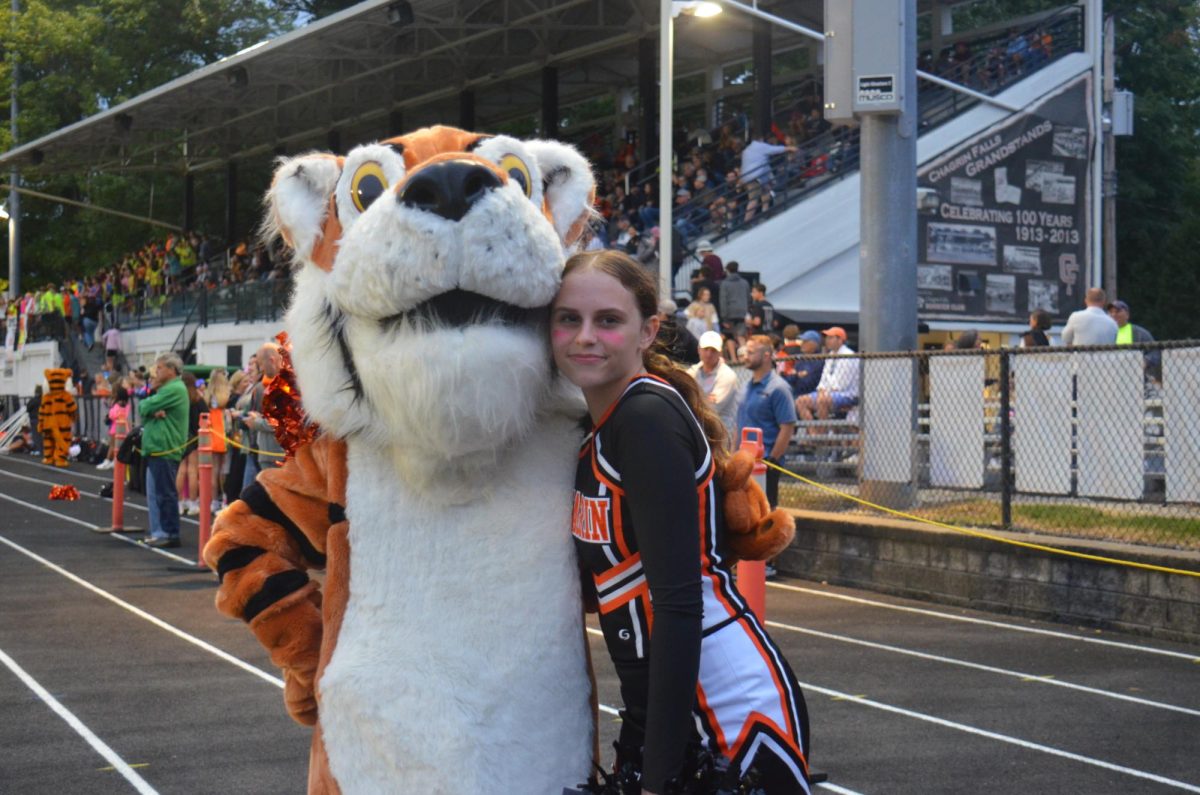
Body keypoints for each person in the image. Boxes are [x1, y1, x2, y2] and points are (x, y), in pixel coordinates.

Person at [550, 250, 811, 794]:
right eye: (568, 318)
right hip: (666, 704)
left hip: (724, 706)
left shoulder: (645, 419)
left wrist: (659, 774)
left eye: (609, 321)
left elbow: (678, 601)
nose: (584, 337)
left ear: (648, 331)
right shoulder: (603, 423)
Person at [738, 334, 797, 510]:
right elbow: (738, 425)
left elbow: (787, 427)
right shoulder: (745, 388)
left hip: (765, 465)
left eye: (751, 352)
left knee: (764, 513)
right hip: (743, 464)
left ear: (766, 356)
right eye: (745, 351)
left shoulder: (779, 388)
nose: (745, 356)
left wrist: (772, 461)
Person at [139, 353, 189, 548]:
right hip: (157, 448)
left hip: (165, 448)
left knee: (165, 492)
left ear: (171, 369)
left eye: (159, 368)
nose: (156, 371)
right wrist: (151, 410)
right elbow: (145, 411)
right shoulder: (167, 389)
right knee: (155, 493)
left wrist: (150, 408)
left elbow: (144, 406)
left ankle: (170, 532)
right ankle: (160, 531)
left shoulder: (174, 389)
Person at [795, 327, 860, 437]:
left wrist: (825, 391)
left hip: (847, 394)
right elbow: (824, 378)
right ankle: (813, 433)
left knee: (822, 400)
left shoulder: (849, 356)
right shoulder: (830, 355)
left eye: (831, 338)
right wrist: (821, 389)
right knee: (801, 401)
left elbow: (842, 384)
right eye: (827, 338)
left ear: (840, 340)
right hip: (827, 393)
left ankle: (822, 433)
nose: (827, 340)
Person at [687, 330, 741, 446]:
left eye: (713, 350)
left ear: (720, 353)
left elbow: (713, 408)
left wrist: (692, 399)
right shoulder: (692, 371)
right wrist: (704, 399)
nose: (708, 354)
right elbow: (682, 396)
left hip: (720, 435)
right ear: (698, 350)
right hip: (699, 431)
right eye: (705, 349)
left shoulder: (727, 375)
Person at [97, 385, 130, 470]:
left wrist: (110, 414)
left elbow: (112, 415)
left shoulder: (117, 405)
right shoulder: (127, 405)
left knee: (112, 445)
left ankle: (107, 460)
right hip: (124, 427)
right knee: (119, 446)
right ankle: (115, 461)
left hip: (115, 427)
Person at [718, 261, 750, 335]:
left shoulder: (725, 283)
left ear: (728, 270)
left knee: (730, 337)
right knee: (740, 336)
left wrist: (724, 317)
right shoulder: (745, 283)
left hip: (730, 312)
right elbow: (748, 298)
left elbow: (723, 301)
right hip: (742, 312)